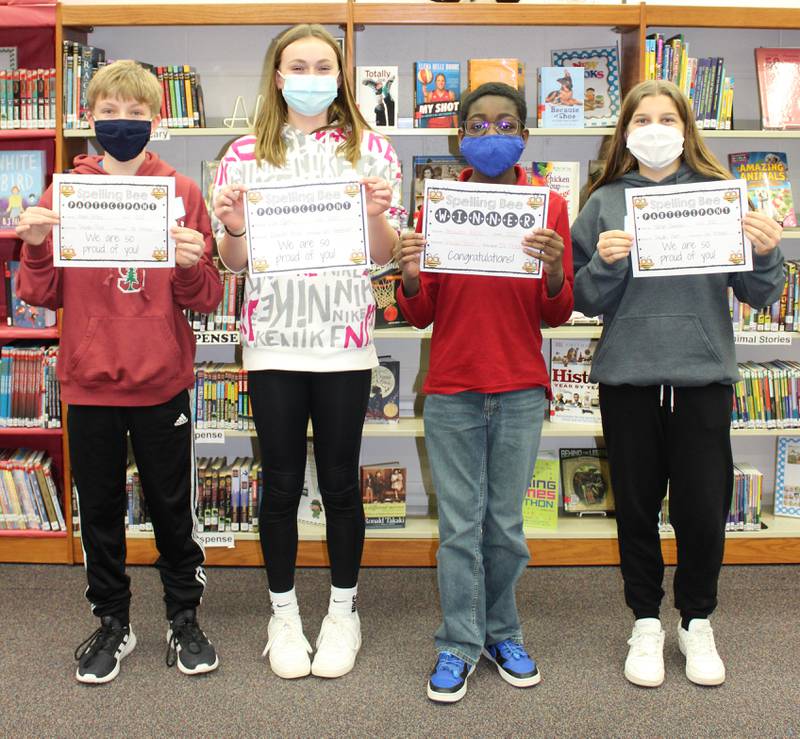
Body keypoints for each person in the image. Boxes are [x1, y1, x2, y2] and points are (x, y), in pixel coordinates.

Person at [571, 79, 784, 689]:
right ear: (626, 133)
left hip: (702, 377)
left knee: (702, 510)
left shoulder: (722, 197)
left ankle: (695, 621)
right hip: (629, 378)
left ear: (688, 130)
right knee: (635, 507)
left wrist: (767, 253)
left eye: (669, 118)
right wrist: (604, 265)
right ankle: (644, 620)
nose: (656, 129)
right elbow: (583, 298)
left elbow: (759, 295)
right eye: (643, 119)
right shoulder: (605, 200)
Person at [15, 60, 223, 684]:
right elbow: (41, 292)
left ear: (156, 120)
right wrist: (31, 242)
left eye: (136, 113)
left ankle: (183, 617)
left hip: (162, 380)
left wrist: (189, 263)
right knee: (99, 509)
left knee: (171, 507)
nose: (123, 122)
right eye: (111, 110)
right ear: (90, 115)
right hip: (90, 380)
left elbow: (206, 296)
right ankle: (113, 621)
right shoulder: (64, 194)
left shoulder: (182, 192)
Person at [212, 24, 403, 680]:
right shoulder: (243, 155)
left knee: (344, 484)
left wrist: (378, 211)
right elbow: (234, 261)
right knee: (282, 483)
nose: (313, 74)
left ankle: (344, 610)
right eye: (300, 64)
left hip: (345, 340)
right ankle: (284, 610)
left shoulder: (372, 149)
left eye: (325, 64)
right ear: (277, 75)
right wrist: (234, 224)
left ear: (341, 77)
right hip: (273, 341)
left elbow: (382, 257)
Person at [396, 82, 574, 703]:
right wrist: (413, 274)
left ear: (524, 133)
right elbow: (420, 314)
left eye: (503, 123)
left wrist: (554, 267)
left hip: (522, 386)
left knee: (504, 524)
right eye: (476, 125)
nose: (489, 134)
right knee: (458, 526)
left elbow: (557, 312)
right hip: (453, 387)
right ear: (460, 136)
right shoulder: (439, 206)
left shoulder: (547, 207)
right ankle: (456, 641)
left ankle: (503, 632)